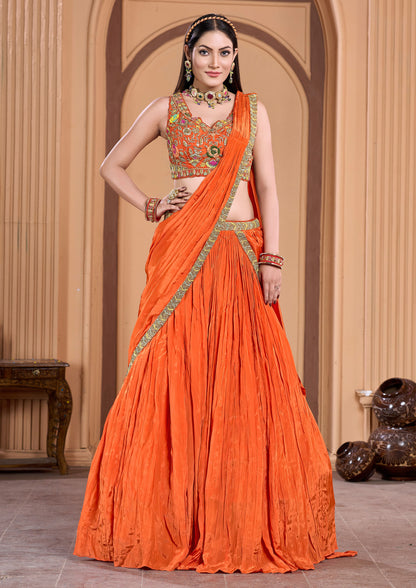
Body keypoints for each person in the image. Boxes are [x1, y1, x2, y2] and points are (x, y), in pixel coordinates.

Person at [74, 13, 355, 574]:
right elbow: (112, 165)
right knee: (175, 367)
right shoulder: (165, 109)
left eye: (226, 53)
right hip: (182, 250)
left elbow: (269, 187)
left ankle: (239, 516)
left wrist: (272, 258)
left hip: (240, 251)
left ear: (234, 58)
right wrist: (153, 204)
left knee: (244, 373)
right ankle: (168, 514)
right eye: (206, 52)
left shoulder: (253, 112)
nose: (216, 62)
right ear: (188, 55)